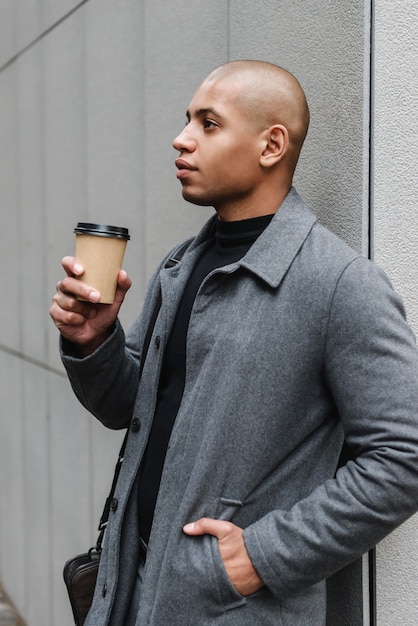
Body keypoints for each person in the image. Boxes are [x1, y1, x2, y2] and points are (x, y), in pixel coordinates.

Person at [50, 60, 418, 625]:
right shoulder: (182, 265)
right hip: (133, 594)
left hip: (228, 608)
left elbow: (404, 457)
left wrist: (261, 556)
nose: (181, 139)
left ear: (272, 145)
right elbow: (130, 408)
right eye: (186, 121)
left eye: (208, 124)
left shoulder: (340, 284)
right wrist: (92, 341)